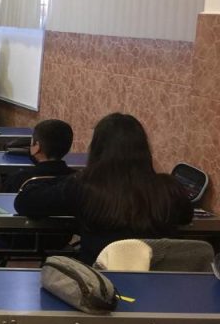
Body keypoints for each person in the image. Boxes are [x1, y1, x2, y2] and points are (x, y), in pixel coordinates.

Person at [14, 113, 193, 265]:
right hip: (156, 282)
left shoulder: (84, 186)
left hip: (100, 283)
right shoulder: (169, 188)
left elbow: (25, 202)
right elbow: (187, 216)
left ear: (97, 149)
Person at [0, 119, 76, 265]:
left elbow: (1, 208)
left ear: (36, 147)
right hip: (59, 241)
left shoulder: (19, 178)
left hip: (16, 241)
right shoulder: (76, 179)